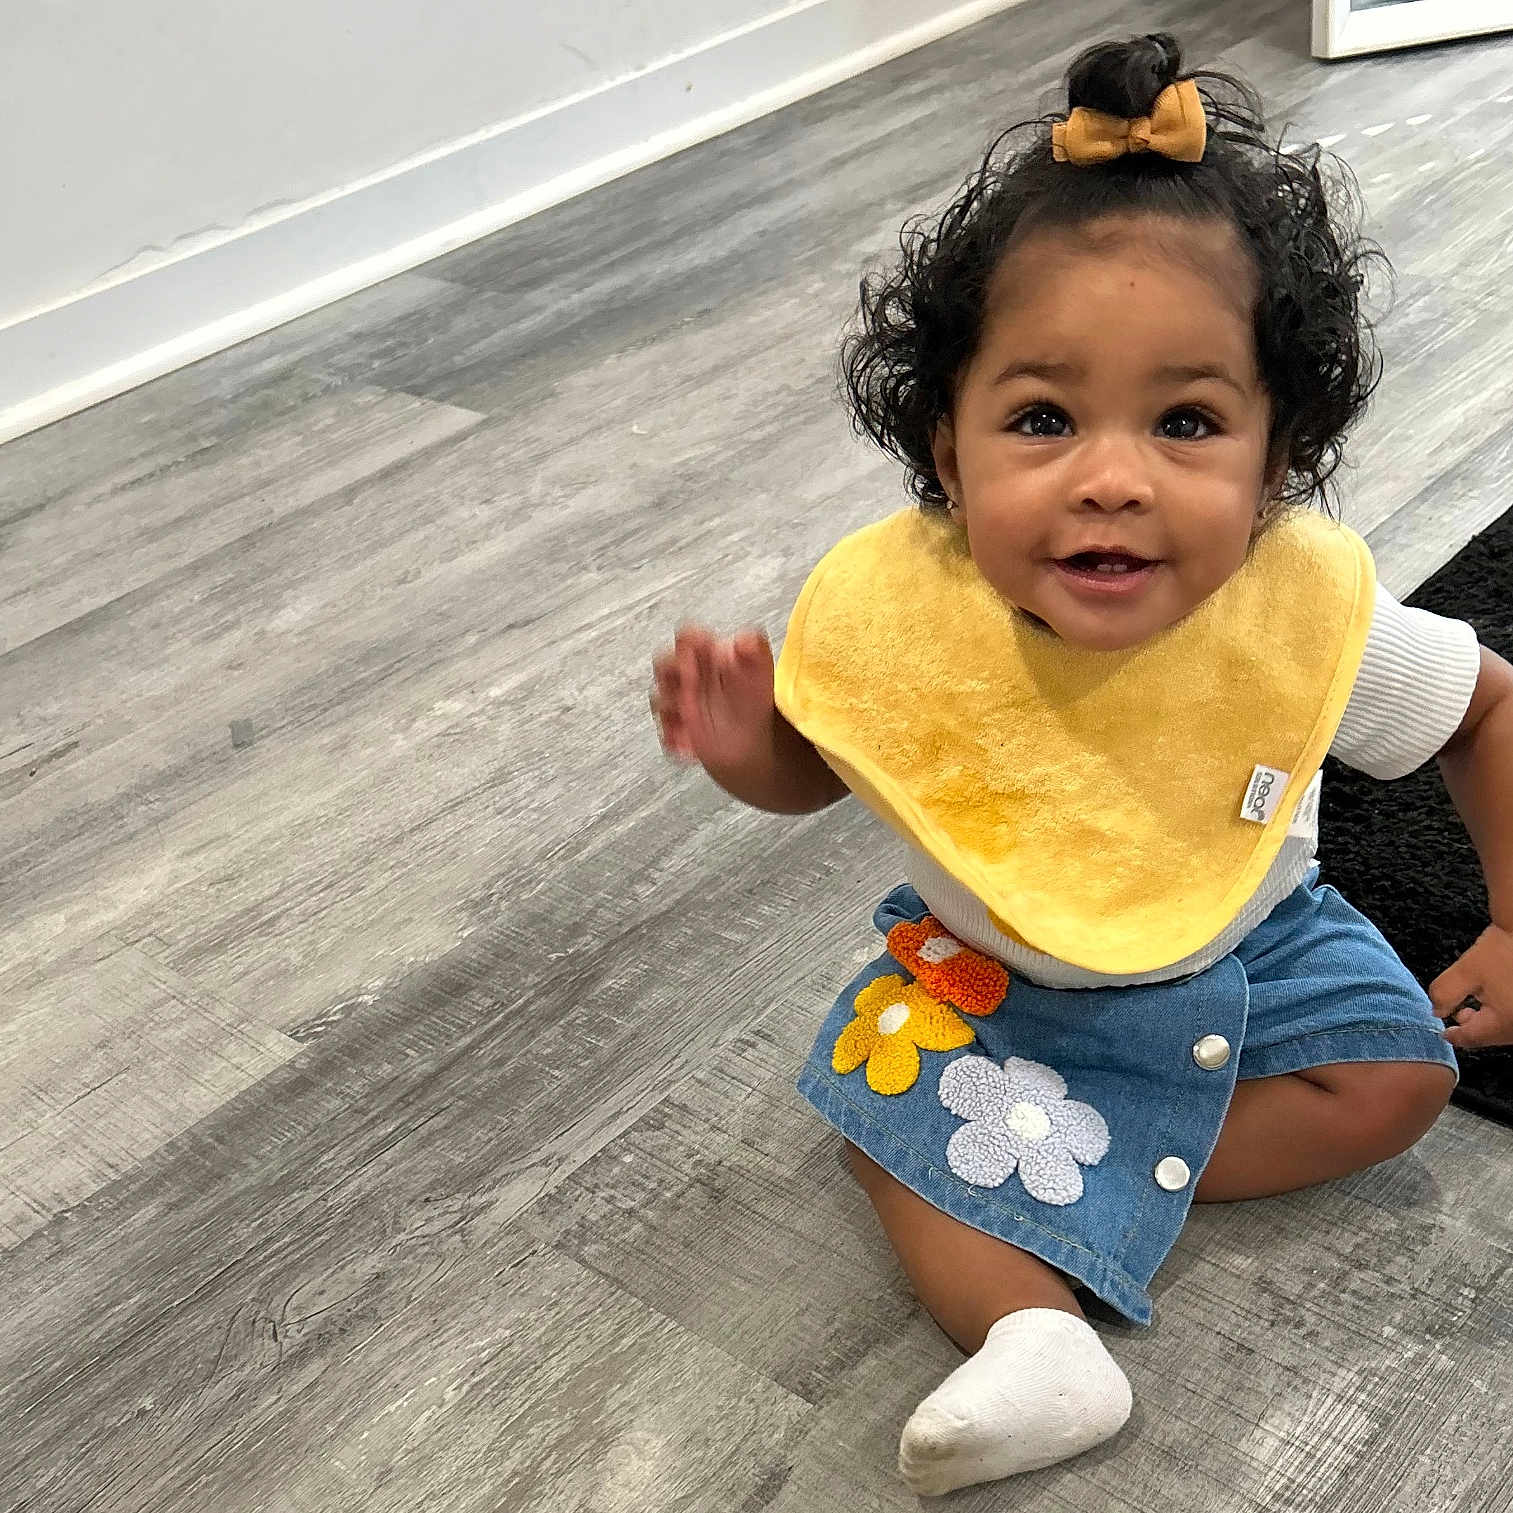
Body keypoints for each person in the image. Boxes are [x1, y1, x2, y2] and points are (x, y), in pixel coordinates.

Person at [649, 31, 1513, 1498]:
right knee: (865, 1105)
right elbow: (830, 765)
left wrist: (1510, 917)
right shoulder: (911, 617)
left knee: (1398, 1081)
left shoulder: (1303, 620)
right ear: (947, 443)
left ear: (1276, 459)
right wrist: (753, 757)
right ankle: (1035, 1337)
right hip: (992, 983)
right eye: (1042, 419)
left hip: (1249, 950)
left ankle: (1051, 1164)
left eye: (1185, 422)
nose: (1109, 475)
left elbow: (1489, 709)